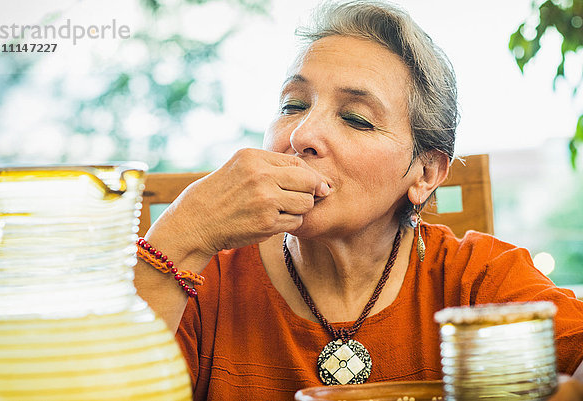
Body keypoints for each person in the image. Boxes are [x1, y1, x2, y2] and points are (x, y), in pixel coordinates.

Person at [133, 1, 583, 400]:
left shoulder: (476, 279)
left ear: (425, 173)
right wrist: (182, 231)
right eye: (292, 105)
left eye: (356, 118)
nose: (302, 135)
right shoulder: (198, 280)